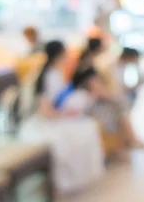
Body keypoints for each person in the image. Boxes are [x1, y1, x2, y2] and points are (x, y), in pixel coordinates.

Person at [19, 41, 104, 194]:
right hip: (45, 122)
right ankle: (64, 184)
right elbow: (46, 111)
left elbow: (62, 100)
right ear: (59, 55)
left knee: (88, 127)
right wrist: (65, 115)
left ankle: (78, 180)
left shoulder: (57, 73)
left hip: (58, 117)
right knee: (75, 135)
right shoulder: (45, 77)